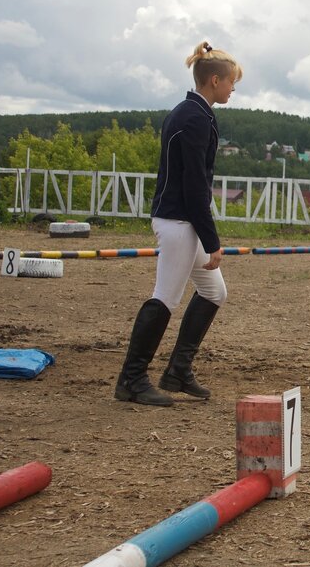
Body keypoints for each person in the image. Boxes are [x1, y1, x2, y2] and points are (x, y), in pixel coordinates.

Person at [115, 41, 242, 406]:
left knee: (214, 292)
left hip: (183, 220)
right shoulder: (194, 118)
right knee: (165, 297)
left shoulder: (192, 112)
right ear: (214, 80)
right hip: (178, 221)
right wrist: (212, 240)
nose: (233, 88)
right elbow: (194, 186)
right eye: (231, 82)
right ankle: (132, 379)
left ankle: (177, 371)